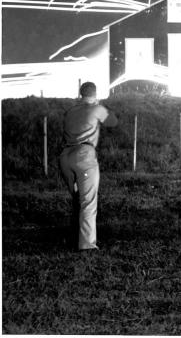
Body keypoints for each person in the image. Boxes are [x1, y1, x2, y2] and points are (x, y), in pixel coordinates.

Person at [59, 81, 118, 251]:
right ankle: (87, 245)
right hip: (84, 155)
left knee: (77, 201)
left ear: (80, 94)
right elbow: (113, 122)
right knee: (88, 203)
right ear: (95, 94)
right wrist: (101, 107)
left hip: (66, 156)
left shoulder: (71, 111)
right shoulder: (96, 108)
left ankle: (73, 239)